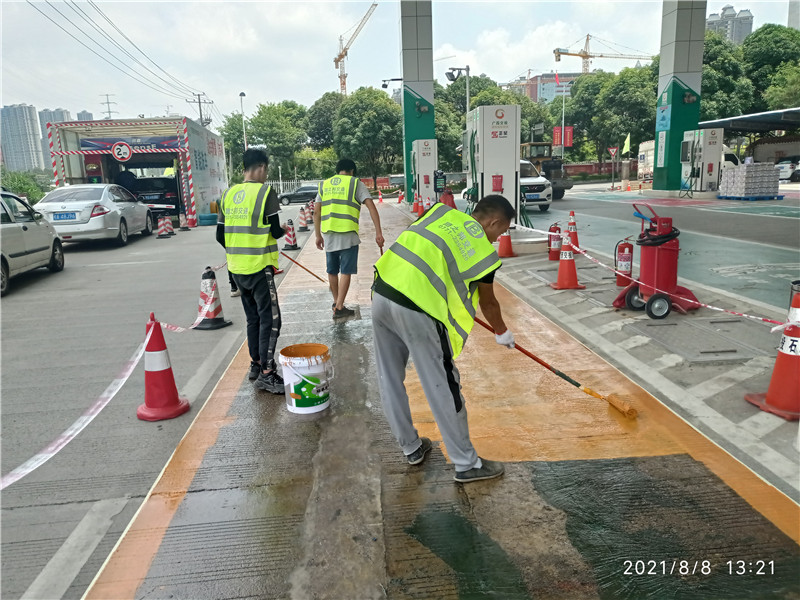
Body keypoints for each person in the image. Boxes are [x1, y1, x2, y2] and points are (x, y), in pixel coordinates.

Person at [371, 195, 516, 483]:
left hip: (381, 293)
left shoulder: (439, 213)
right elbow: (488, 303)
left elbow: (428, 256)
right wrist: (502, 332)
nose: (498, 238)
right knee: (442, 385)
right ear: (493, 221)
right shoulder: (484, 253)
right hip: (417, 310)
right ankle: (467, 464)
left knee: (389, 378)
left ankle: (411, 448)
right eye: (500, 232)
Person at [217, 149, 286, 394]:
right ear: (260, 168)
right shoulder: (266, 192)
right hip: (259, 267)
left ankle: (256, 365)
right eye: (266, 170)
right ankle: (267, 373)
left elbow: (219, 235)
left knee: (253, 319)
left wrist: (239, 249)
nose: (266, 175)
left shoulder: (227, 194)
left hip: (237, 269)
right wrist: (285, 229)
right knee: (272, 320)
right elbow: (276, 232)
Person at [314, 158, 384, 319]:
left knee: (332, 270)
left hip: (329, 233)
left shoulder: (325, 184)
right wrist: (378, 232)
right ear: (352, 171)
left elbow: (316, 211)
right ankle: (339, 307)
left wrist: (318, 235)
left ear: (338, 170)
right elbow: (371, 207)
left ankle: (337, 303)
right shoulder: (355, 183)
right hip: (348, 234)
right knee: (346, 270)